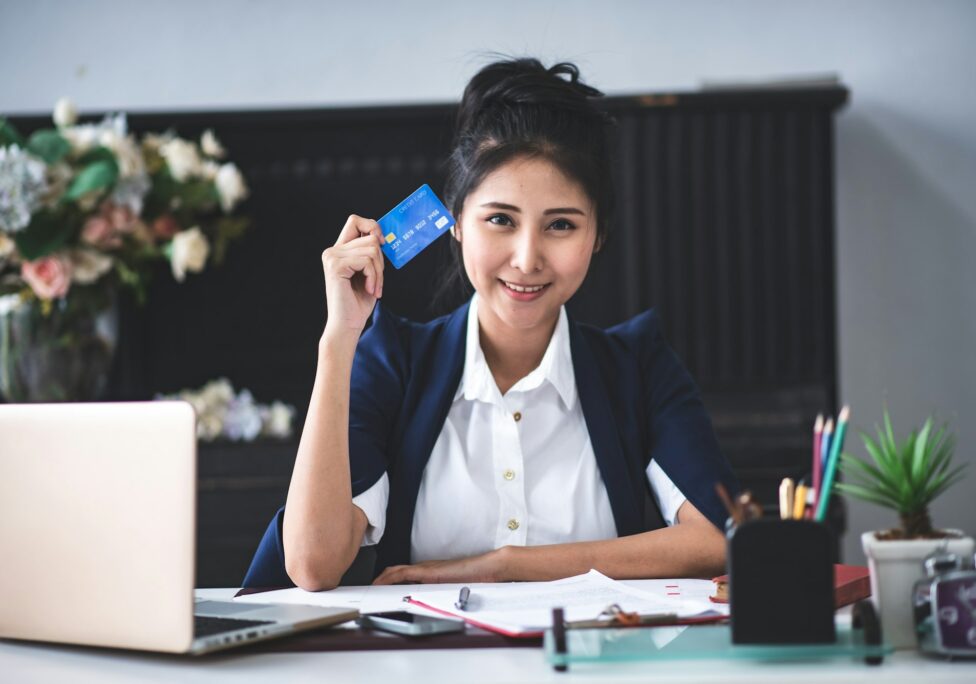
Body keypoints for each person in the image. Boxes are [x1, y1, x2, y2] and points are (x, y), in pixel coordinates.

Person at [244, 58, 739, 591]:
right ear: (455, 221)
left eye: (561, 225)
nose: (527, 258)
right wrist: (339, 339)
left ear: (598, 234)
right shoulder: (394, 360)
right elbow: (313, 565)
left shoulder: (639, 365)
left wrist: (505, 566)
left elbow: (718, 535)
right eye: (500, 219)